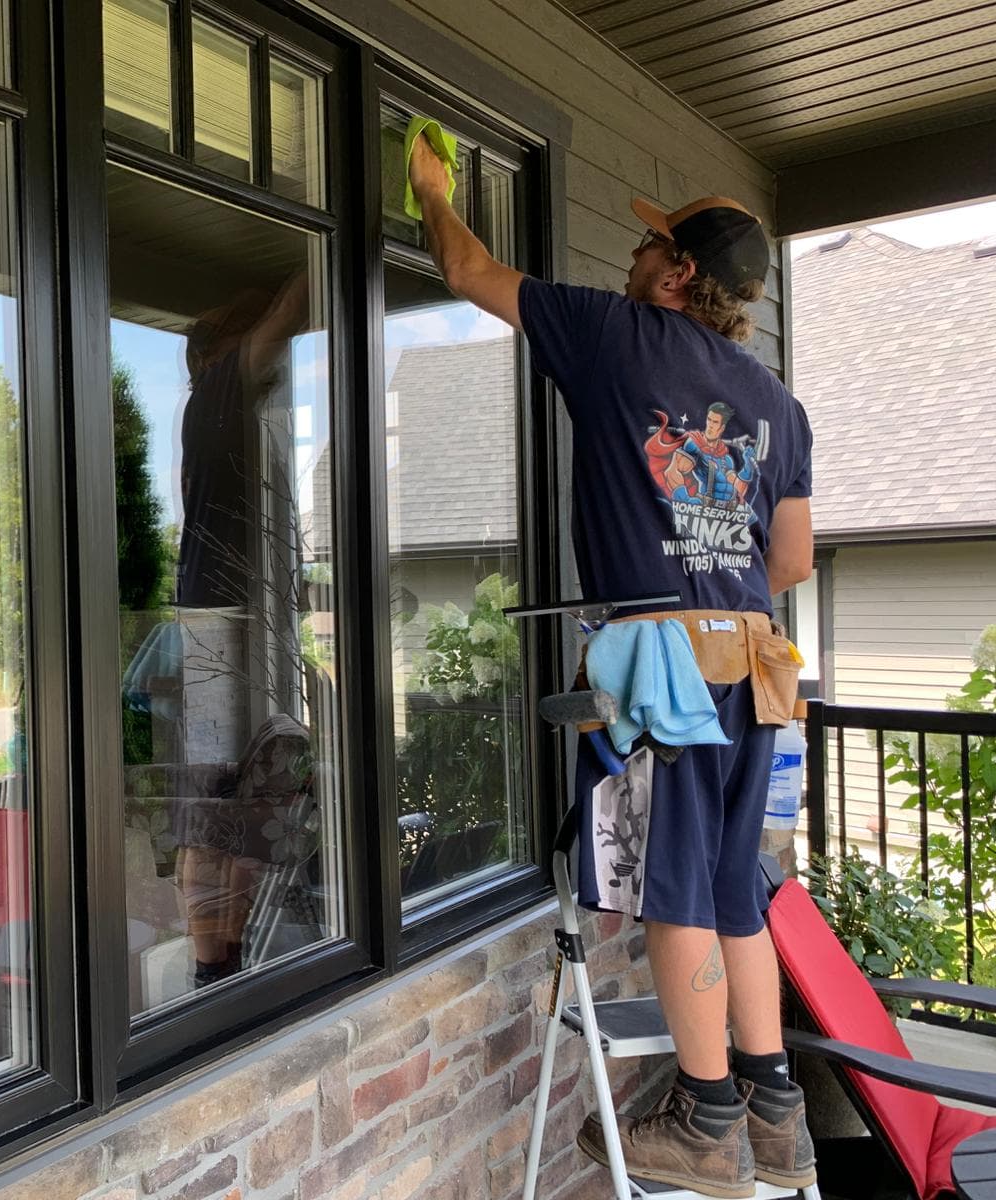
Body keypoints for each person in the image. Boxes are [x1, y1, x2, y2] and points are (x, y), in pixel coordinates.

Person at [409, 140, 816, 1197]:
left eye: (648, 245)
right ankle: (774, 1110)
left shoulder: (614, 334)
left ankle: (706, 1117)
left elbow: (466, 270)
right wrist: (712, 547)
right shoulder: (777, 404)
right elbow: (791, 562)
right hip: (755, 665)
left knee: (678, 889)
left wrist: (433, 193)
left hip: (671, 670)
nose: (632, 255)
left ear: (677, 274)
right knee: (735, 883)